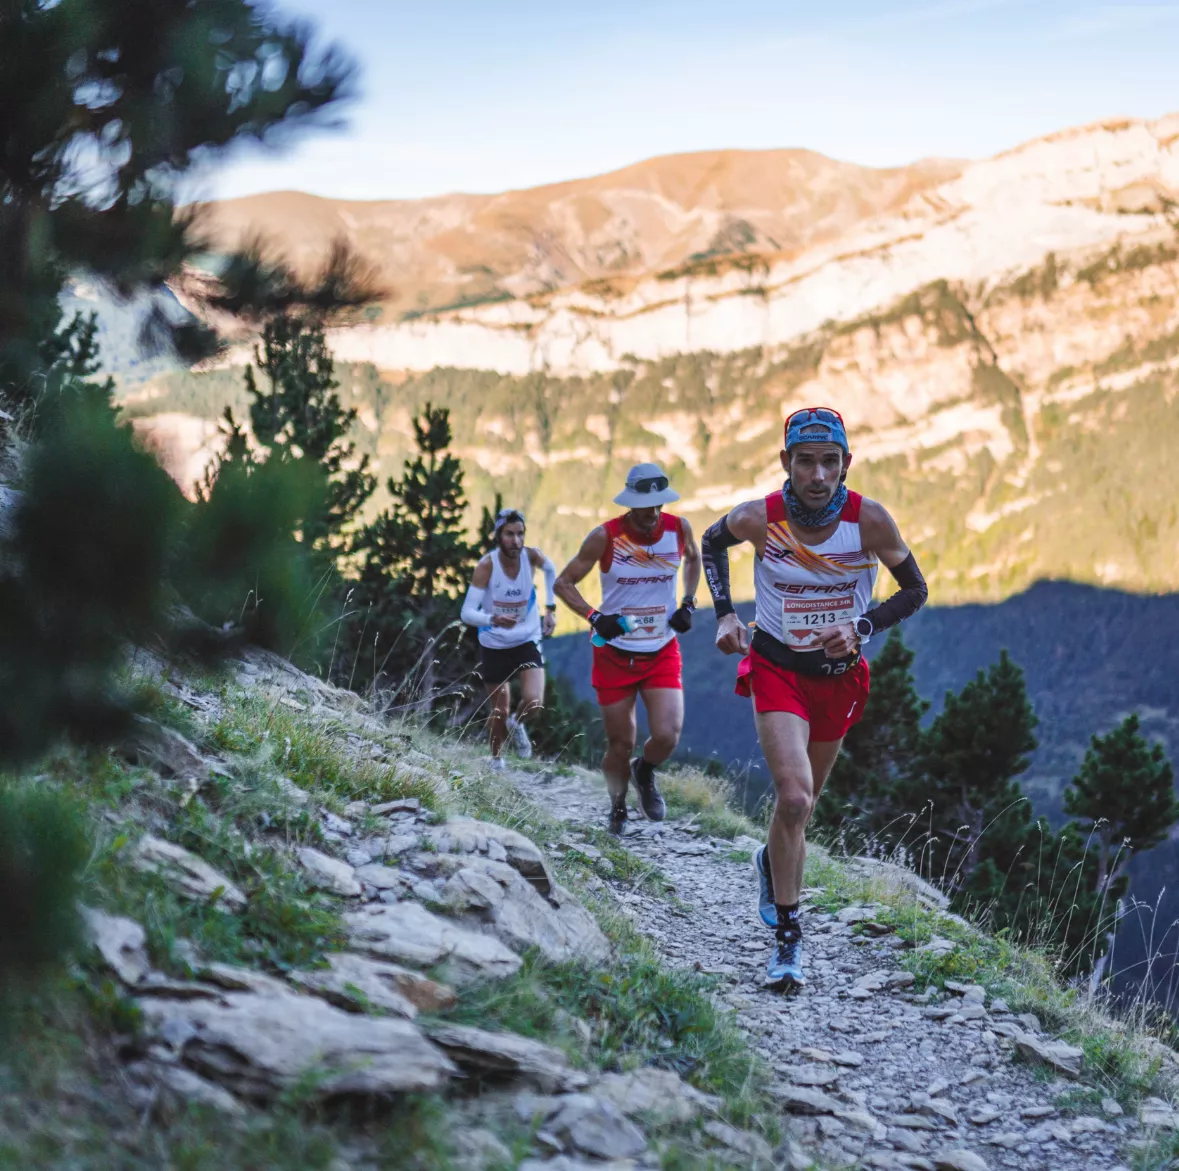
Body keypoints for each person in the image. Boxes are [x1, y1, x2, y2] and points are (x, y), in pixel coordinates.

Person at [700, 407, 927, 988]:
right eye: (806, 462)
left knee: (802, 807)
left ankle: (769, 862)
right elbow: (710, 542)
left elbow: (915, 589)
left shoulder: (870, 522)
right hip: (776, 668)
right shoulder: (760, 518)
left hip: (840, 677)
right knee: (795, 799)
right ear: (787, 463)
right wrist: (726, 614)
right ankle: (788, 939)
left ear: (846, 464)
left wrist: (863, 627)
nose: (819, 475)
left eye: (830, 462)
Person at [554, 463, 701, 833]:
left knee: (667, 735)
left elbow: (695, 559)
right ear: (630, 503)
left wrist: (687, 603)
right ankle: (617, 806)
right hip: (614, 653)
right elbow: (563, 583)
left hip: (661, 649)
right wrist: (593, 616)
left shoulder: (679, 529)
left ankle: (644, 771)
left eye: (658, 505)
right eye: (645, 506)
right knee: (621, 744)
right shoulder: (605, 537)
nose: (653, 514)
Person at [461, 508, 557, 770]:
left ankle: (519, 722)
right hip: (495, 642)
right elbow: (467, 613)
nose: (516, 540)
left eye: (520, 534)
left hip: (527, 638)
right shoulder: (487, 566)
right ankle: (497, 761)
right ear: (498, 536)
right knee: (499, 709)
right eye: (509, 534)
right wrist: (492, 619)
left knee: (534, 701)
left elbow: (551, 570)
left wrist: (550, 609)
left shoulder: (531, 557)